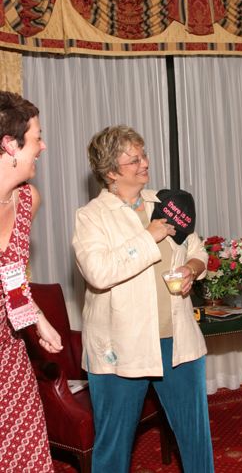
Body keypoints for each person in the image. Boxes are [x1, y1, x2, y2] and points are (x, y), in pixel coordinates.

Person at [72, 125, 214, 472]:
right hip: (121, 347)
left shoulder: (165, 203)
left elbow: (198, 250)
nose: (144, 163)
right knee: (113, 444)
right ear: (110, 172)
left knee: (196, 439)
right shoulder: (91, 217)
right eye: (133, 159)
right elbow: (99, 272)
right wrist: (148, 237)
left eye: (143, 154)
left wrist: (193, 269)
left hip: (178, 342)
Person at [0, 91, 63, 472]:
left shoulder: (28, 200)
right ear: (10, 144)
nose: (43, 145)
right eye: (37, 137)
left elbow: (11, 276)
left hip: (9, 357)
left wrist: (37, 319)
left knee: (28, 460)